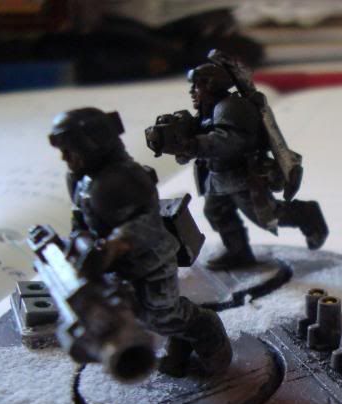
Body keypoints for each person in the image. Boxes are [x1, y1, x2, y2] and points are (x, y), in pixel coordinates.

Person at [48, 107, 232, 378]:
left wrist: (115, 244)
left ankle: (209, 333)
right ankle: (180, 348)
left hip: (151, 260)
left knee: (165, 315)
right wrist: (79, 243)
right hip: (114, 264)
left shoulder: (127, 178)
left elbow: (146, 222)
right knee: (135, 315)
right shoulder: (80, 180)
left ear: (92, 143)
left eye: (70, 149)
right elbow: (80, 218)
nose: (65, 157)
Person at [174, 57, 328, 270]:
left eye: (197, 85)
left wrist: (193, 145)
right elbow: (200, 138)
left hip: (243, 177)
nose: (192, 91)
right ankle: (238, 252)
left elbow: (230, 141)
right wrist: (180, 145)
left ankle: (307, 214)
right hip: (217, 176)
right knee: (216, 213)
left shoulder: (232, 107)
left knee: (266, 216)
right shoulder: (207, 110)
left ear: (211, 85)